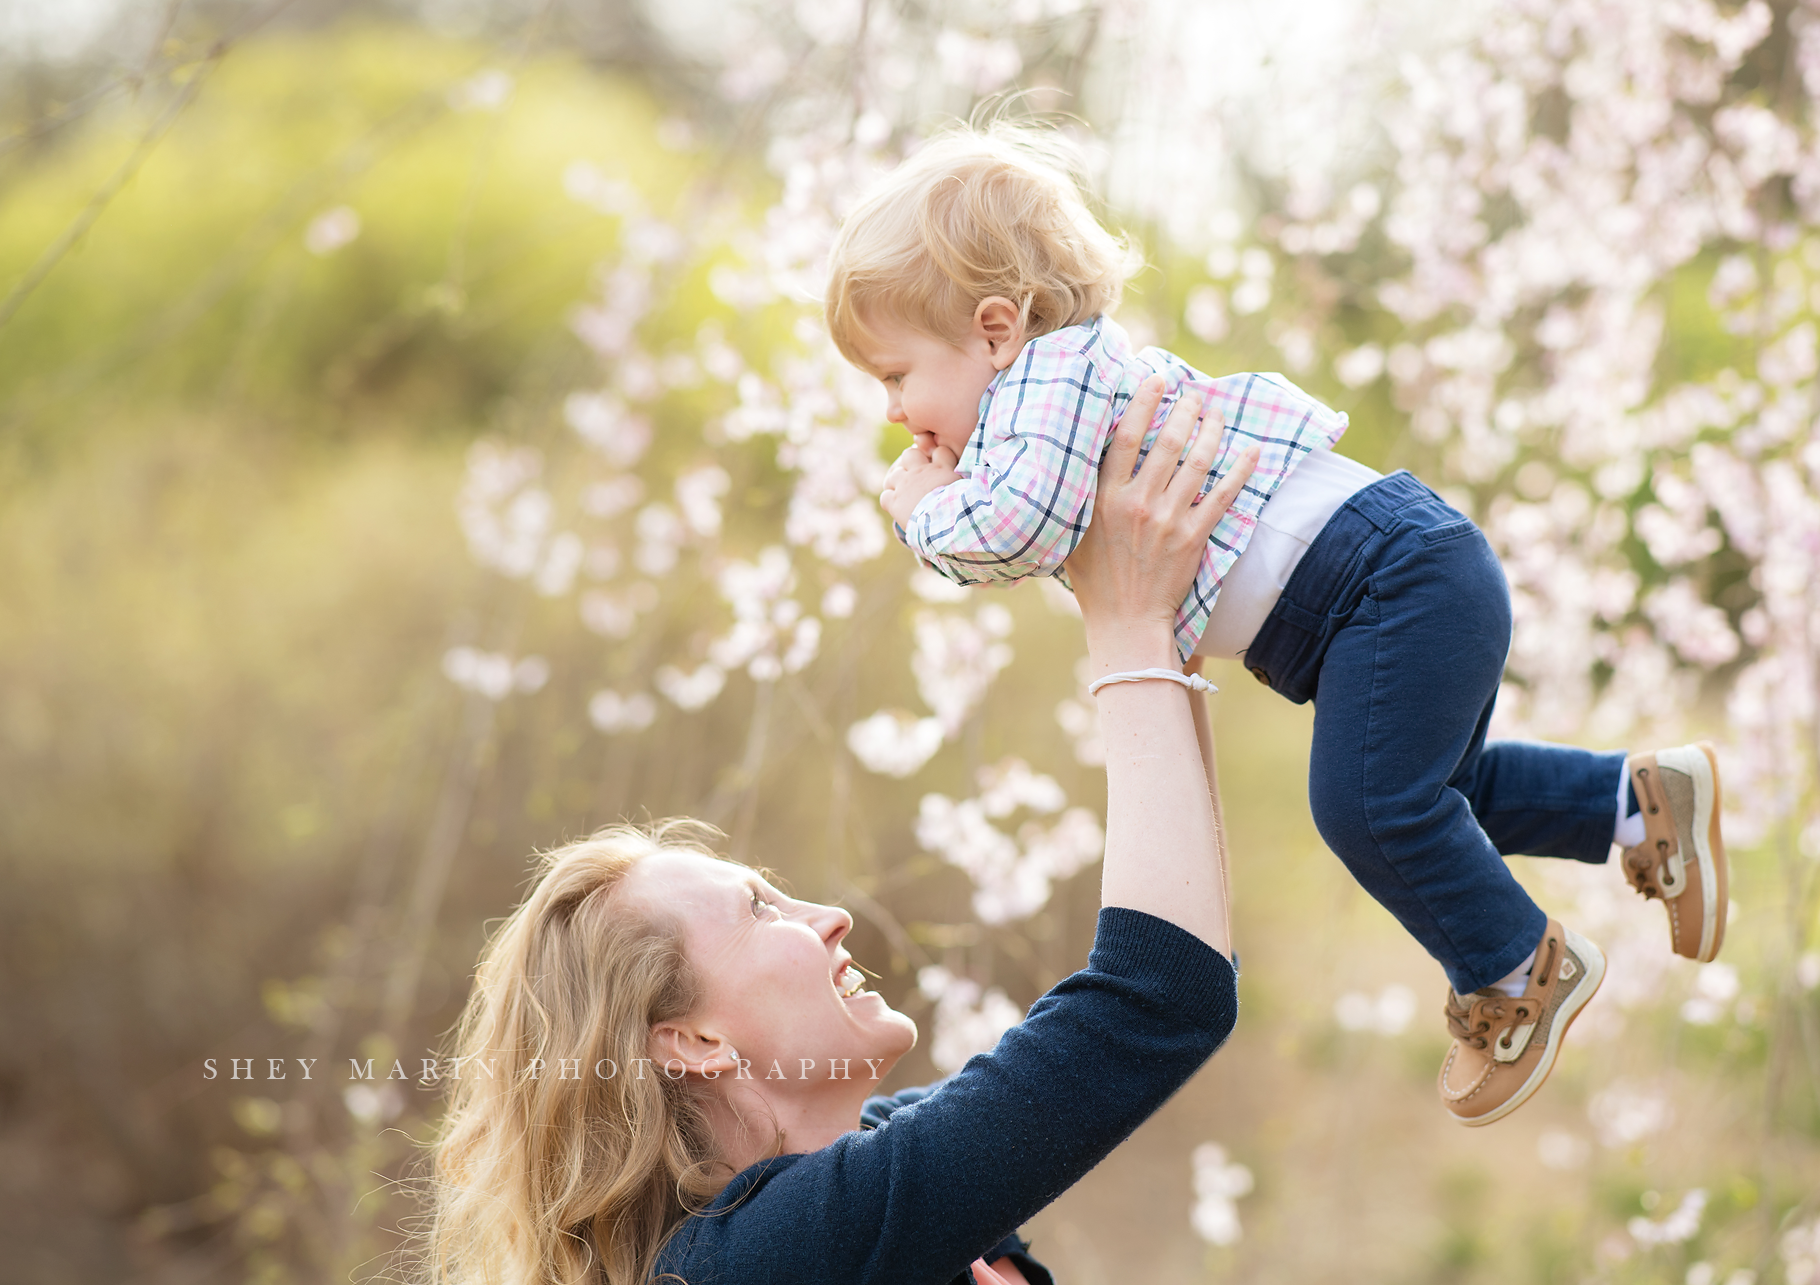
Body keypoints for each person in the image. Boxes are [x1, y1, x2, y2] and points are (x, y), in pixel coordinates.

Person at [824, 126, 1731, 1127]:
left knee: (1366, 808)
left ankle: (1517, 970)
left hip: (1381, 580)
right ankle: (1632, 803)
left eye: (896, 377)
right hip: (1391, 581)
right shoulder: (1044, 399)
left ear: (995, 330)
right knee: (1433, 798)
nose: (895, 413)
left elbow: (1012, 529)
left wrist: (917, 512)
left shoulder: (1049, 382)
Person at [419, 382, 1258, 1285]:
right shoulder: (758, 1261)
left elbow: (1180, 966)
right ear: (691, 1041)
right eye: (758, 907)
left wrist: (1165, 635)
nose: (830, 915)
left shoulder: (868, 1184)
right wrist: (1127, 623)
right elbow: (1157, 995)